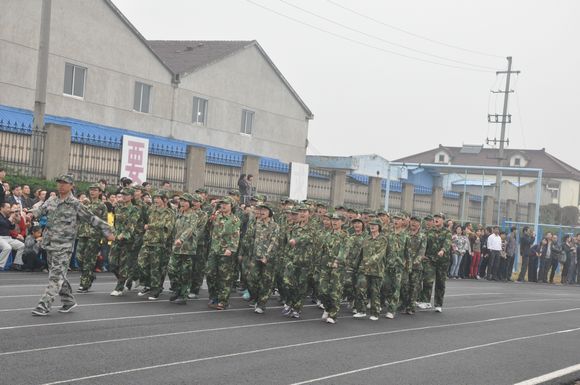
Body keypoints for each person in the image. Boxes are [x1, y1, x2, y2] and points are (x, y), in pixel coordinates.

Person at [29, 174, 114, 316]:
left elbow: (92, 218)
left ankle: (43, 305)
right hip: (49, 244)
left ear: (71, 186)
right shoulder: (51, 200)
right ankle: (68, 300)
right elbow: (38, 211)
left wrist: (108, 231)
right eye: (59, 183)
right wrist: (29, 214)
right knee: (57, 273)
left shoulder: (76, 204)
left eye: (65, 183)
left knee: (55, 276)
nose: (61, 185)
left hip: (64, 246)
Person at [241, 203, 280, 314]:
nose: (262, 212)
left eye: (265, 210)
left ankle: (261, 304)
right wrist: (245, 253)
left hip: (268, 259)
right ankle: (257, 298)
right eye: (260, 210)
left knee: (266, 281)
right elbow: (249, 239)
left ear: (270, 213)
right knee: (250, 279)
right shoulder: (256, 224)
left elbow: (273, 242)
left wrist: (266, 256)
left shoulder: (275, 226)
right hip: (254, 256)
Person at [137, 190, 175, 300]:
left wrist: (150, 226)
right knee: (141, 263)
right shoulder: (151, 209)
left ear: (165, 200)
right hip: (148, 240)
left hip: (159, 242)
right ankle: (148, 284)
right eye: (155, 198)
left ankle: (156, 289)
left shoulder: (169, 213)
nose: (156, 200)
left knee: (156, 267)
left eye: (159, 198)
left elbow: (167, 226)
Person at [206, 196, 241, 310]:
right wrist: (212, 216)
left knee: (224, 277)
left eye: (226, 204)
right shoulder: (216, 216)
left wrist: (230, 248)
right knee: (210, 273)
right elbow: (208, 228)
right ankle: (213, 296)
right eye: (222, 204)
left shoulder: (235, 219)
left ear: (231, 206)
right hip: (214, 249)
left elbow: (236, 236)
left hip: (226, 251)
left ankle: (223, 300)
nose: (223, 206)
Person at [168, 193, 201, 305]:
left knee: (185, 273)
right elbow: (173, 228)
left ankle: (183, 295)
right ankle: (176, 290)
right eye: (181, 201)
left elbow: (190, 229)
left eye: (185, 201)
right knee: (172, 270)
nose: (182, 203)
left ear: (190, 203)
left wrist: (181, 239)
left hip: (187, 248)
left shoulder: (194, 215)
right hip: (176, 247)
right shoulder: (178, 214)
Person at [76, 184, 108, 292]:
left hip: (94, 236)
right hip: (83, 233)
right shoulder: (85, 203)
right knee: (79, 258)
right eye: (91, 190)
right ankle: (90, 275)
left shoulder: (102, 206)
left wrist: (103, 237)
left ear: (99, 192)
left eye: (95, 190)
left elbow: (104, 222)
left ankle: (84, 284)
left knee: (89, 260)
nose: (92, 192)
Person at [354, 219, 387, 321]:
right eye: (371, 225)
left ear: (379, 227)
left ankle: (375, 313)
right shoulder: (366, 238)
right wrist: (355, 264)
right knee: (361, 289)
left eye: (375, 225)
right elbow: (361, 253)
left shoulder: (383, 239)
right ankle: (361, 310)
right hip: (364, 269)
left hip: (376, 270)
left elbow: (380, 254)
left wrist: (370, 261)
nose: (372, 226)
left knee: (374, 292)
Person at [108, 188, 140, 297]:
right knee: (112, 264)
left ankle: (119, 287)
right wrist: (113, 232)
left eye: (126, 195)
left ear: (131, 197)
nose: (124, 196)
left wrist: (124, 235)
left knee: (123, 264)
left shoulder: (134, 209)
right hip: (116, 238)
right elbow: (115, 223)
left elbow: (132, 224)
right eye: (122, 195)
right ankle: (128, 278)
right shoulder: (118, 207)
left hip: (127, 240)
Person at [418, 213, 451, 313]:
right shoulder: (429, 231)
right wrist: (422, 254)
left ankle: (438, 304)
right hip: (430, 259)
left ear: (443, 220)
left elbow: (447, 243)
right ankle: (425, 301)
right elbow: (424, 243)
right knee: (428, 280)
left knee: (440, 283)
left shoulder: (447, 232)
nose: (436, 219)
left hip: (443, 261)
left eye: (439, 218)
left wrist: (443, 250)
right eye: (435, 218)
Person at [0, 202, 25, 271]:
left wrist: (14, 219)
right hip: (0, 237)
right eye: (7, 207)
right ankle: (0, 265)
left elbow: (11, 227)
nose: (9, 209)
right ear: (2, 208)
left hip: (7, 238)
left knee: (21, 245)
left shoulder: (7, 217)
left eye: (9, 207)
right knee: (8, 247)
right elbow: (4, 224)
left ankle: (16, 263)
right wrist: (11, 217)